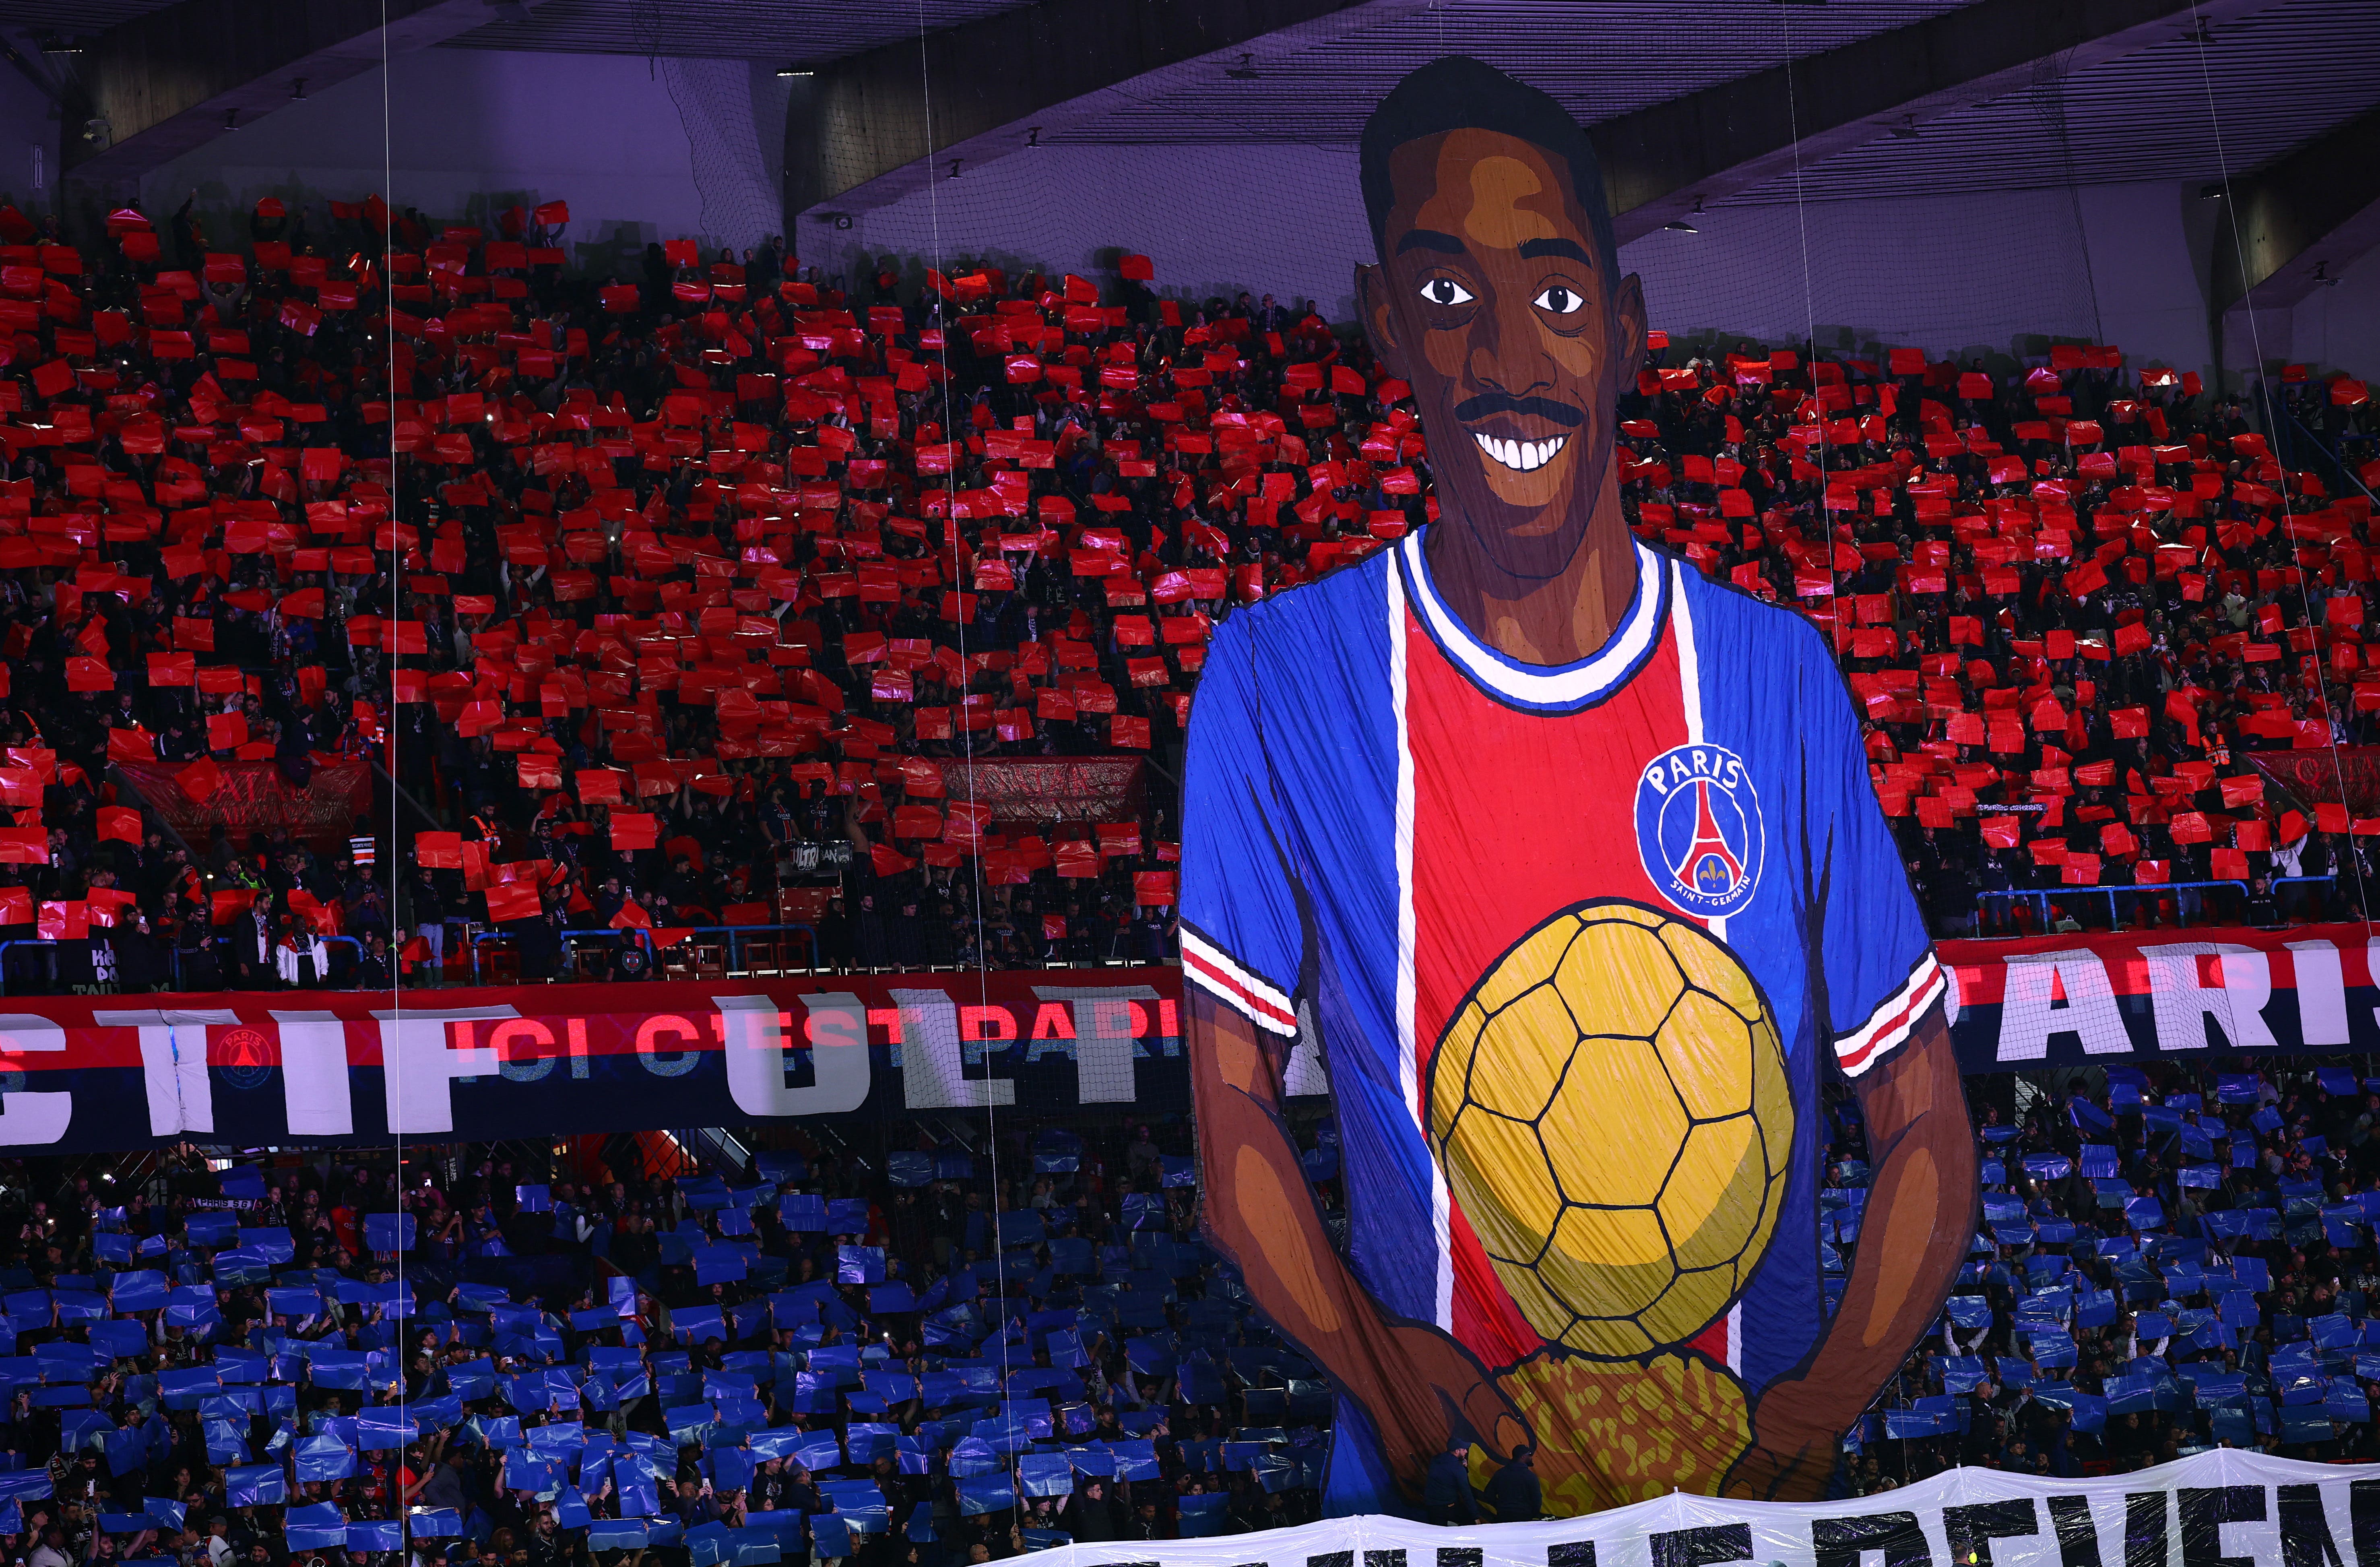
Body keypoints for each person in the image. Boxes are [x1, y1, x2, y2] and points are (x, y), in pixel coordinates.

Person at [1180, 56, 1976, 1519]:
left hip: (1756, 1502)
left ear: (1621, 330)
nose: (1503, 352)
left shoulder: (1774, 676)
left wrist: (1812, 1405)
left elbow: (1920, 1108)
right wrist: (1381, 1372)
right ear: (1382, 327)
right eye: (1442, 298)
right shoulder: (1280, 673)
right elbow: (1228, 1120)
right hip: (1440, 1501)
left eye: (1552, 299)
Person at [1421, 1439, 1476, 1525]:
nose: (1466, 1451)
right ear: (1457, 1451)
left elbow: (1447, 1469)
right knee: (1469, 1523)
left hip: (1432, 1507)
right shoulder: (1458, 1469)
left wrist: (1461, 1464)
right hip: (1448, 1507)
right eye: (1464, 1449)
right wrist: (1476, 1517)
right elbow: (1466, 1493)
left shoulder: (1435, 1460)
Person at [1483, 1447, 1540, 1522]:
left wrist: (1500, 1507)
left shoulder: (1500, 1473)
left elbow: (1488, 1495)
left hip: (1503, 1516)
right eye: (1530, 1454)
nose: (1531, 1457)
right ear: (1523, 1457)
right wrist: (1531, 1514)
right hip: (1524, 1517)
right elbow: (1537, 1500)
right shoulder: (1530, 1476)